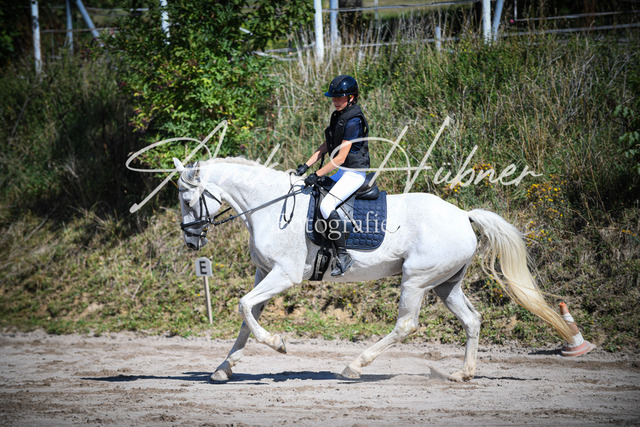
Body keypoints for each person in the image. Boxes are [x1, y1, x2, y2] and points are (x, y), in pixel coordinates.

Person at [294, 75, 370, 276]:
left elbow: (341, 157)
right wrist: (306, 165)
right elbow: (327, 145)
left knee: (326, 206)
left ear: (351, 97)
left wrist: (316, 173)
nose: (335, 101)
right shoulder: (339, 116)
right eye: (333, 97)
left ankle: (344, 255)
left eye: (339, 97)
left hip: (354, 174)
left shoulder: (354, 121)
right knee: (312, 192)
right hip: (343, 171)